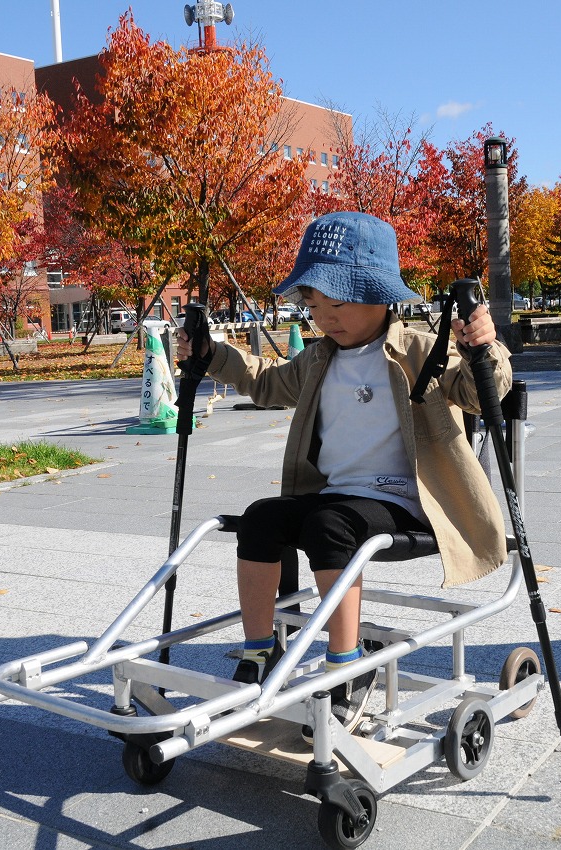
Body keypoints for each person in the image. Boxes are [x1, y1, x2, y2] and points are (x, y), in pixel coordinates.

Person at [178, 211, 511, 735]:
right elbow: (266, 383)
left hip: (405, 501)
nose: (325, 317)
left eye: (338, 303)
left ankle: (346, 663)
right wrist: (213, 355)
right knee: (262, 518)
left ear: (381, 296)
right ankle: (260, 650)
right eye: (314, 305)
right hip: (336, 496)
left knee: (329, 526)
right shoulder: (319, 360)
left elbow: (481, 390)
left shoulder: (422, 349)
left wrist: (483, 348)